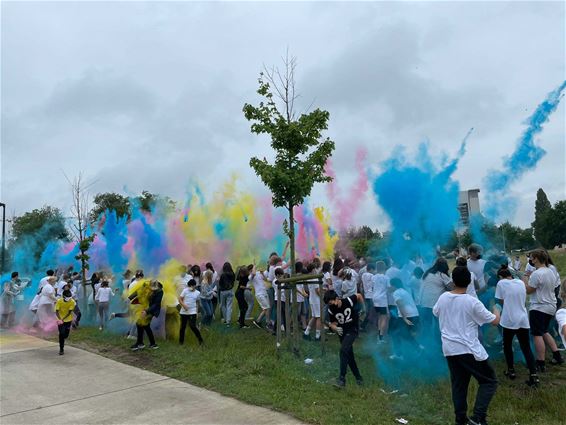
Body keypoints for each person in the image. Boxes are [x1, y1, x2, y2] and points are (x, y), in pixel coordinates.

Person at [433, 266, 500, 425]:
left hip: (450, 349)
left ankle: (461, 419)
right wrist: (497, 310)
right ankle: (478, 418)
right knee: (489, 381)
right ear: (470, 281)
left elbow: (436, 312)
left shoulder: (443, 297)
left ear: (452, 281)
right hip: (469, 349)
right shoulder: (472, 302)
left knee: (459, 385)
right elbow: (494, 321)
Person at [494, 265, 539, 386]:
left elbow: (500, 301)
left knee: (507, 345)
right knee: (526, 347)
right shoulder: (520, 283)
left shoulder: (501, 283)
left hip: (509, 320)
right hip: (523, 319)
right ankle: (533, 375)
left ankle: (511, 371)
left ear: (500, 276)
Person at [523, 249, 563, 370]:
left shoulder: (537, 273)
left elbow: (529, 290)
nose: (530, 259)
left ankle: (540, 362)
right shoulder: (551, 271)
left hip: (539, 307)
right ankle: (557, 355)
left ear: (535, 259)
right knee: (544, 331)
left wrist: (524, 279)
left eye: (532, 257)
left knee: (536, 334)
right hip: (550, 306)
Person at [325, 289, 364, 388]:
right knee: (349, 356)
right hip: (342, 332)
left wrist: (363, 308)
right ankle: (359, 378)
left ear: (337, 298)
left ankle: (342, 379)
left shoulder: (348, 301)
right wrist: (333, 327)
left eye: (332, 302)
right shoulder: (330, 309)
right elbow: (333, 322)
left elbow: (359, 295)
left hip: (352, 329)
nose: (332, 304)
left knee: (343, 350)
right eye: (329, 303)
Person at [420, 258, 452, 338]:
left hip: (424, 302)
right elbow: (452, 288)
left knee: (427, 324)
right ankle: (439, 342)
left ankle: (426, 342)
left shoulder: (427, 273)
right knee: (439, 324)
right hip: (435, 303)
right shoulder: (441, 275)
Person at [389, 278, 420, 360]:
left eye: (390, 285)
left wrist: (404, 317)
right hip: (414, 314)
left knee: (395, 334)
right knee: (404, 334)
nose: (389, 287)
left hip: (407, 315)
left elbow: (400, 304)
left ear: (394, 285)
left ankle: (399, 355)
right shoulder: (403, 291)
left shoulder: (396, 292)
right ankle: (418, 348)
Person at [131, 280, 163, 351]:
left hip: (152, 310)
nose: (152, 290)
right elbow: (138, 291)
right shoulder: (146, 285)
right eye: (151, 288)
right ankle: (149, 344)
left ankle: (141, 343)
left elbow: (156, 304)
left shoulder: (160, 292)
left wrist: (146, 311)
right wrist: (129, 298)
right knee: (144, 325)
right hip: (145, 308)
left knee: (141, 323)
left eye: (154, 289)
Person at [178, 279, 203, 345]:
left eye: (192, 286)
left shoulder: (197, 293)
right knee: (183, 327)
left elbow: (197, 303)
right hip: (184, 312)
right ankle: (181, 342)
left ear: (195, 286)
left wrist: (196, 312)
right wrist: (183, 305)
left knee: (192, 326)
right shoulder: (185, 290)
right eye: (189, 286)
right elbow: (180, 299)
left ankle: (200, 340)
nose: (191, 287)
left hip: (193, 311)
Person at [372, 261, 390, 342]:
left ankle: (379, 334)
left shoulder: (373, 277)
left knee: (380, 317)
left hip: (375, 298)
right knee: (384, 318)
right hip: (382, 299)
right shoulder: (386, 277)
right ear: (384, 267)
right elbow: (389, 288)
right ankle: (381, 337)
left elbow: (372, 287)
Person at [304, 263, 322, 341]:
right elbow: (317, 290)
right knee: (319, 317)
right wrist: (322, 295)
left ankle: (306, 332)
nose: (316, 270)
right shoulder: (314, 278)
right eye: (315, 269)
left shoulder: (309, 278)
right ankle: (317, 336)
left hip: (312, 298)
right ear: (312, 270)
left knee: (314, 316)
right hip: (316, 299)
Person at [55, 289, 76, 355]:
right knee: (61, 334)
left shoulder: (72, 301)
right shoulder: (59, 301)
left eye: (70, 296)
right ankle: (61, 349)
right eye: (68, 297)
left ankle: (63, 338)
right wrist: (60, 319)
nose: (69, 298)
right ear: (63, 296)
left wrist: (63, 319)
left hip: (68, 320)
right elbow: (57, 311)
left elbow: (69, 312)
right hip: (59, 320)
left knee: (65, 335)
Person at [249, 264, 270, 329]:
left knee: (266, 308)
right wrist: (254, 266)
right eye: (253, 268)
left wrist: (262, 273)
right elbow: (253, 273)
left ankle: (258, 321)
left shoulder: (258, 273)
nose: (255, 269)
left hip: (264, 292)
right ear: (250, 270)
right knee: (267, 308)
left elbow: (266, 279)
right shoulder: (250, 276)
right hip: (259, 294)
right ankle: (268, 323)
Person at [360, 262, 375, 331]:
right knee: (369, 312)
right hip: (371, 295)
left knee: (368, 311)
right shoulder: (372, 276)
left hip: (366, 294)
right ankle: (363, 325)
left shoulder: (363, 275)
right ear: (371, 269)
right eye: (373, 269)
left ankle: (363, 324)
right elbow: (374, 285)